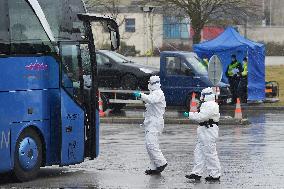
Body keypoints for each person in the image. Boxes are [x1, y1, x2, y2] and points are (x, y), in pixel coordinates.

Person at [184, 87, 221, 181]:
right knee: (199, 152)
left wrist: (190, 115)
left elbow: (202, 117)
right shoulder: (208, 104)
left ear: (206, 95)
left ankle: (215, 174)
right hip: (205, 130)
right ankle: (196, 173)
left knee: (210, 153)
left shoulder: (210, 104)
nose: (201, 97)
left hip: (208, 130)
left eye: (202, 95)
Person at [133, 76, 168, 175]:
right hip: (151, 122)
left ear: (153, 83)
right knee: (150, 145)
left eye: (150, 83)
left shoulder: (158, 93)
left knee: (151, 144)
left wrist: (140, 95)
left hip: (155, 122)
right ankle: (154, 166)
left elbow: (150, 100)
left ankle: (161, 162)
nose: (149, 85)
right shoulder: (154, 93)